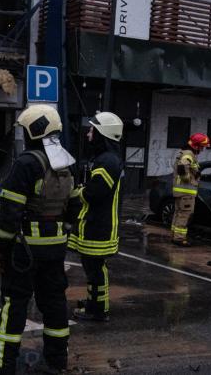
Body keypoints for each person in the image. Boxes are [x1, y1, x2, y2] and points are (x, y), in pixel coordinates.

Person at [0, 104, 75, 374]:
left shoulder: (26, 163)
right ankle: (57, 361)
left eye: (25, 129)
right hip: (55, 249)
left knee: (14, 304)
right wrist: (61, 231)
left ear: (36, 130)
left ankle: (3, 362)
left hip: (25, 251)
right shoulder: (67, 162)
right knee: (55, 303)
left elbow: (10, 213)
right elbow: (76, 206)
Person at [68, 112, 124, 322]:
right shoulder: (104, 159)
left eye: (93, 130)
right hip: (95, 224)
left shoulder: (107, 161)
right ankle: (94, 302)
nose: (89, 134)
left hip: (99, 226)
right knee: (92, 268)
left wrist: (78, 193)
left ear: (103, 134)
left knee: (95, 269)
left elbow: (95, 192)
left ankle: (98, 310)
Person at [171, 133, 210, 246]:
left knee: (178, 214)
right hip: (186, 192)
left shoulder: (185, 152)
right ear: (196, 145)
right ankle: (179, 238)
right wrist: (188, 179)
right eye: (202, 147)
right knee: (184, 214)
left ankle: (175, 236)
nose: (202, 149)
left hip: (181, 192)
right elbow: (182, 166)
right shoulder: (189, 154)